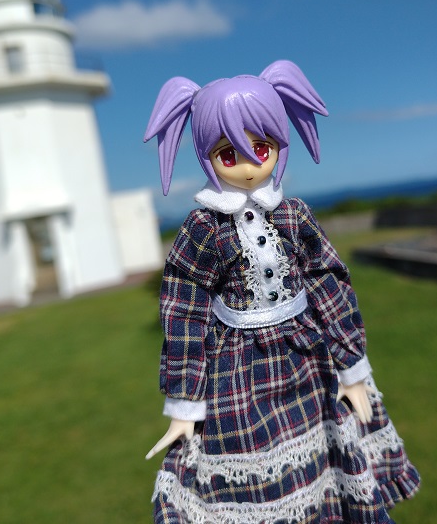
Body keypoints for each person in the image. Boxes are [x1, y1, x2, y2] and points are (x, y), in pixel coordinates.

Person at [143, 60, 419, 523]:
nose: (249, 165)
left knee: (328, 458)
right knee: (260, 482)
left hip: (309, 359)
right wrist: (185, 404)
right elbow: (184, 312)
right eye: (228, 154)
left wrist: (352, 367)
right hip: (240, 374)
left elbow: (329, 282)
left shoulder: (292, 215)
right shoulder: (203, 229)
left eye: (261, 147)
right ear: (206, 156)